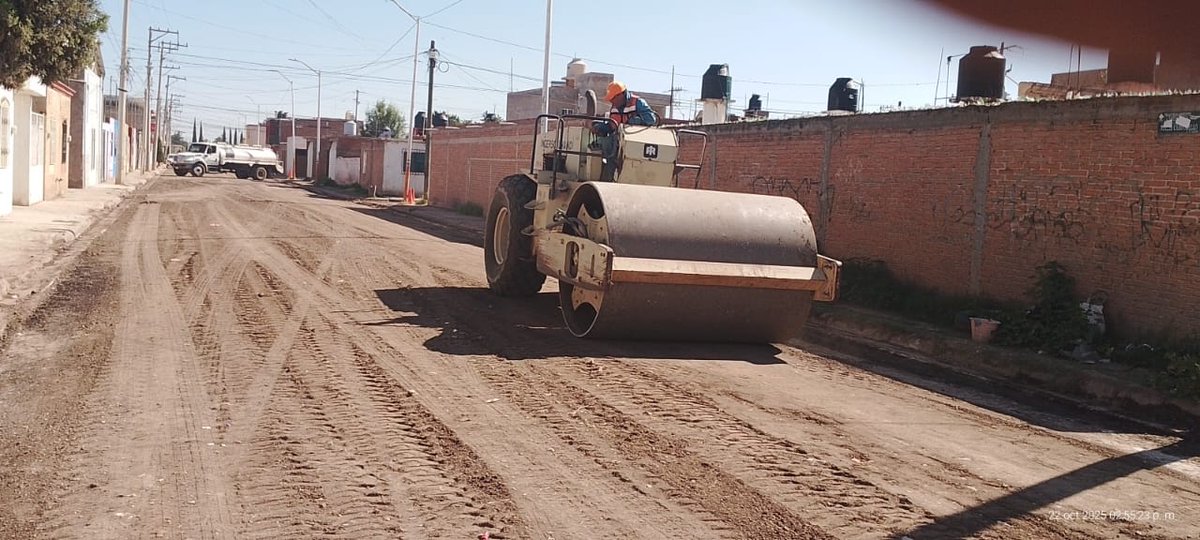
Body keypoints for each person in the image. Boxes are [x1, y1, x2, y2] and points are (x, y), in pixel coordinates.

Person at [591, 81, 659, 180]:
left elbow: (651, 120)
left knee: (611, 148)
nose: (611, 102)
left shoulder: (637, 102)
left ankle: (609, 178)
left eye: (613, 98)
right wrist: (600, 127)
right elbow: (612, 126)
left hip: (637, 140)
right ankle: (607, 178)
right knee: (601, 143)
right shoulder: (614, 108)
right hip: (620, 140)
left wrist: (635, 122)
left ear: (621, 95)